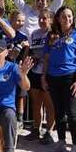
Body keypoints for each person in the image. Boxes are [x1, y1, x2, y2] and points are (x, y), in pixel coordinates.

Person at [42, 6, 76, 152]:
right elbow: (47, 59)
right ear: (57, 18)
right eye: (64, 16)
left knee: (72, 113)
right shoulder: (51, 35)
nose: (67, 19)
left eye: (70, 16)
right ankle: (61, 141)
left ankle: (75, 145)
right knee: (58, 111)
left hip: (70, 77)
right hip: (53, 77)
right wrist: (43, 77)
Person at [26, 8, 56, 144]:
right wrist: (33, 57)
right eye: (40, 18)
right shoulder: (35, 34)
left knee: (49, 104)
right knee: (36, 104)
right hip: (35, 72)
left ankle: (49, 131)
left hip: (49, 73)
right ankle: (36, 129)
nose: (42, 21)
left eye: (45, 18)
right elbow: (32, 51)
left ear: (51, 19)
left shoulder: (54, 34)